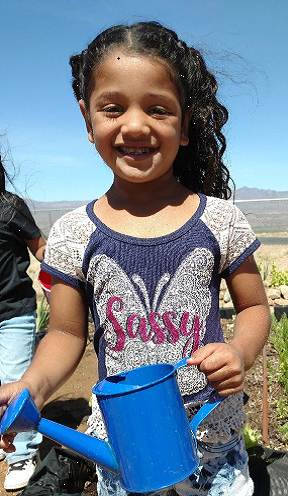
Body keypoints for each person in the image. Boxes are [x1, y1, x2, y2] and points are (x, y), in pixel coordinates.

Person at [0, 22, 271, 495]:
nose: (135, 125)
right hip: (125, 452)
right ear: (88, 121)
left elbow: (253, 308)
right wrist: (33, 388)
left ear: (184, 125)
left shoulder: (220, 221)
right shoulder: (73, 234)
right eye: (112, 108)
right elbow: (66, 333)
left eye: (158, 109)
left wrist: (239, 353)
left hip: (213, 441)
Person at [0, 153, 45, 490]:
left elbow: (40, 248)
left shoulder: (8, 207)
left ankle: (23, 454)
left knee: (15, 380)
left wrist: (68, 273)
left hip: (13, 310)